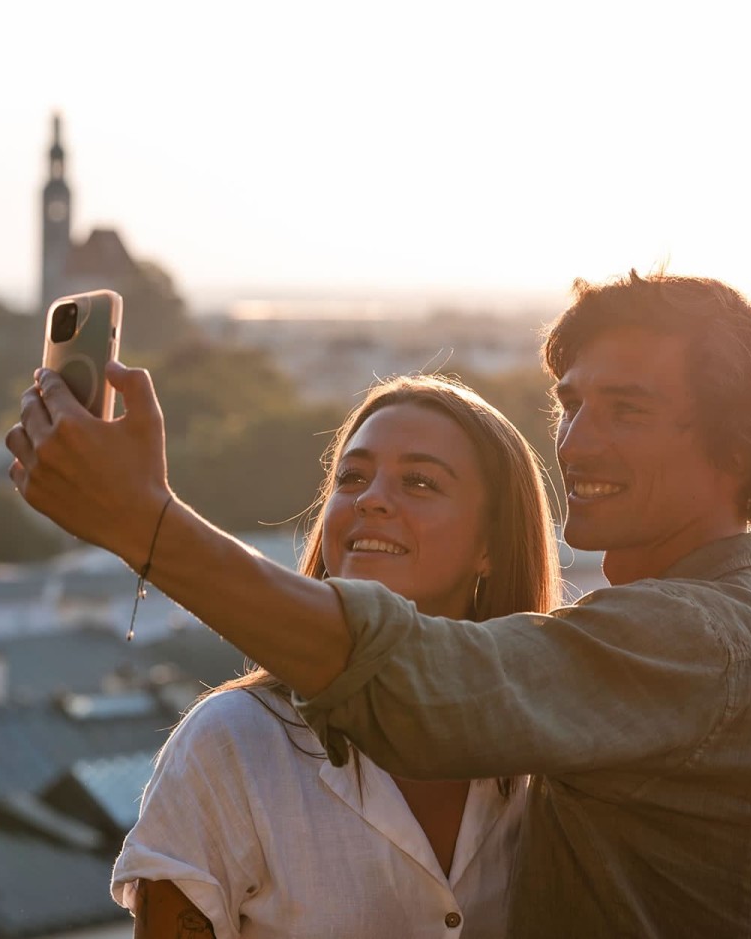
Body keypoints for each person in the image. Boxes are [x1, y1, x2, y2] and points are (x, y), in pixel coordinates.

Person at [7, 269, 751, 937]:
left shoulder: (707, 646)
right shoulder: (615, 672)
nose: (577, 441)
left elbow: (418, 684)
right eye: (571, 404)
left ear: (737, 443)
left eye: (626, 409)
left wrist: (145, 524)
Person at [110, 375, 559, 937]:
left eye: (419, 482)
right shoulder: (234, 741)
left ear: (491, 544)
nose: (370, 498)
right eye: (352, 477)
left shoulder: (546, 749)